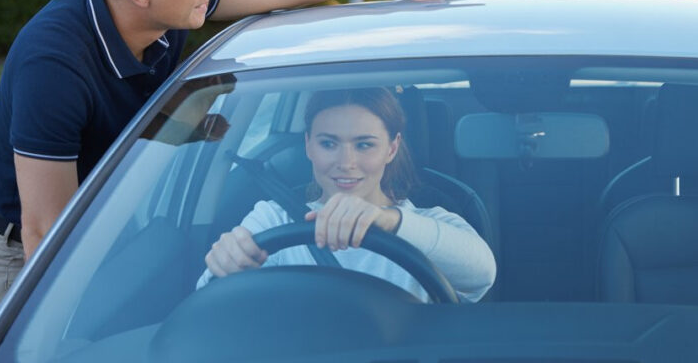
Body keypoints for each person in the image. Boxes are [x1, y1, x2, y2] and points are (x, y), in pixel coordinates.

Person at [0, 0, 479, 337]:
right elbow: (44, 231)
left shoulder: (164, 6)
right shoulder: (53, 65)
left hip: (98, 217)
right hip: (19, 254)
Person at [199, 88, 496, 303]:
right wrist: (225, 265)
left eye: (364, 145)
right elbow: (208, 305)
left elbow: (482, 274)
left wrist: (386, 221)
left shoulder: (429, 224)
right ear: (308, 146)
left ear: (391, 149)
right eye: (329, 144)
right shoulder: (272, 218)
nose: (346, 162)